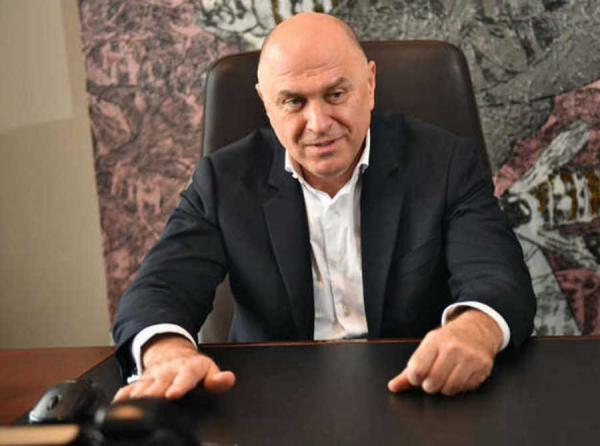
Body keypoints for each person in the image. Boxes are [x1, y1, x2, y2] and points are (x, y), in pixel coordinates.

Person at [112, 12, 536, 401]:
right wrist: (167, 353)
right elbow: (159, 288)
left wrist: (474, 330)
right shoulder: (222, 180)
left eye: (335, 94)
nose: (318, 124)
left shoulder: (445, 164)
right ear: (266, 103)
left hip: (417, 388)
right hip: (271, 401)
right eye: (293, 101)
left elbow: (497, 275)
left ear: (369, 84)